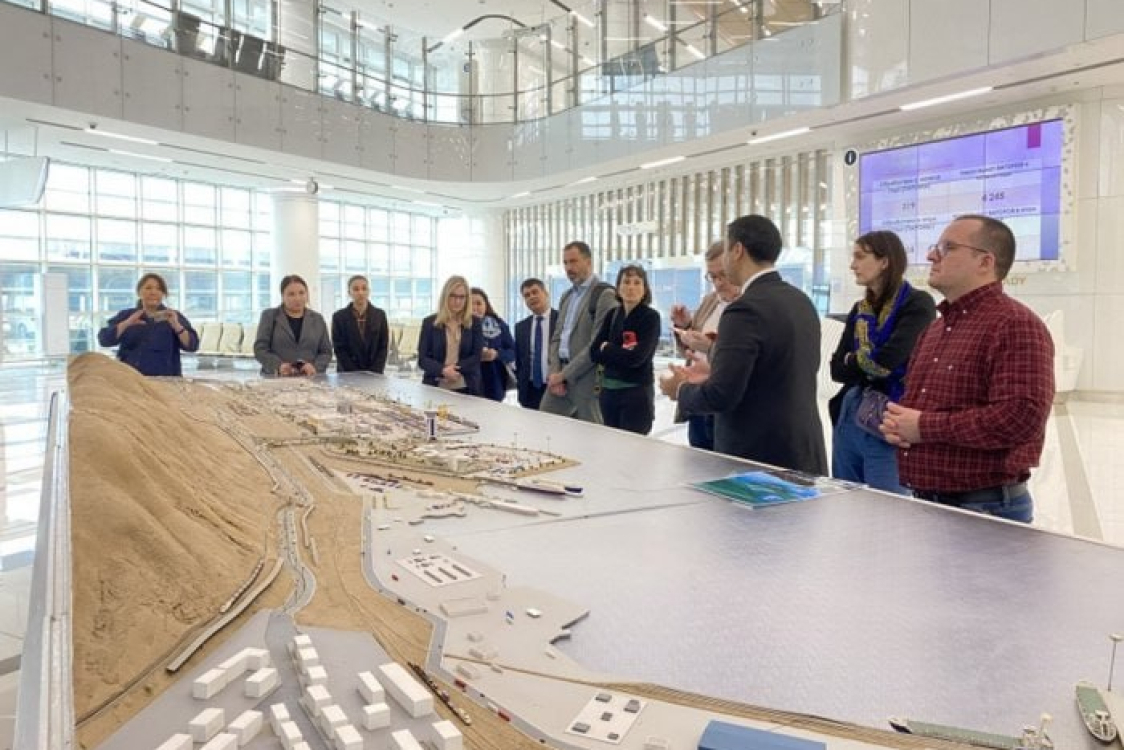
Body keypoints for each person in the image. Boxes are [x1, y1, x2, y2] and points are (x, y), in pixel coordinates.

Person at [880, 215, 1055, 523]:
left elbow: (1020, 418)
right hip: (928, 502)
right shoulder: (935, 330)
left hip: (983, 509)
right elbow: (920, 409)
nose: (931, 256)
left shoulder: (1015, 325)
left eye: (947, 248)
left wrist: (923, 427)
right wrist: (900, 427)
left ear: (985, 262)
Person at [659, 214, 827, 475]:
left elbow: (722, 395)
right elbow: (774, 370)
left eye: (727, 250)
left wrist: (679, 389)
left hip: (757, 461)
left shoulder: (744, 310)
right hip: (802, 452)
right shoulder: (801, 301)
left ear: (737, 250)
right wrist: (715, 366)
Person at [829, 231, 936, 493]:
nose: (852, 265)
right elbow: (836, 370)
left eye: (860, 257)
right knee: (844, 500)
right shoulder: (860, 309)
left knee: (887, 506)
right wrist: (865, 362)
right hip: (851, 409)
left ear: (884, 262)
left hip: (889, 414)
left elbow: (888, 361)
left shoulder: (917, 304)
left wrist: (854, 360)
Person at [669, 240, 740, 450]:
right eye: (712, 276)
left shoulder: (749, 305)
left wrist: (710, 346)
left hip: (725, 400)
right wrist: (685, 326)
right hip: (699, 397)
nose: (718, 283)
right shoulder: (710, 300)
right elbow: (691, 350)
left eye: (723, 275)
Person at [539, 241, 619, 423]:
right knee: (544, 424)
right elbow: (557, 337)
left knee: (591, 434)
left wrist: (564, 375)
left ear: (588, 262)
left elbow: (596, 345)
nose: (568, 268)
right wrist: (555, 373)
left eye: (573, 261)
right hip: (560, 374)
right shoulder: (567, 296)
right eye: (565, 263)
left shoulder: (605, 295)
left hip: (587, 379)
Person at [590, 265, 662, 435]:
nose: (631, 287)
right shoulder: (613, 315)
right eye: (626, 282)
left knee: (634, 445)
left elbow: (637, 358)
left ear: (645, 289)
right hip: (608, 393)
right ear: (618, 287)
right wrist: (620, 353)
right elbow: (594, 353)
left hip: (636, 394)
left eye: (637, 283)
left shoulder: (650, 317)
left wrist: (609, 348)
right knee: (612, 442)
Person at [97, 272, 199, 376]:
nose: (153, 292)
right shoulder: (126, 315)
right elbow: (104, 340)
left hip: (165, 380)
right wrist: (126, 324)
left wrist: (176, 326)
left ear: (163, 294)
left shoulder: (173, 316)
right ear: (139, 292)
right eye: (148, 288)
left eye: (159, 289)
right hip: (129, 379)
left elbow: (192, 346)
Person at [253, 274, 332, 376]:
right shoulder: (269, 316)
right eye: (291, 294)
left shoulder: (317, 319)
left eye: (301, 293)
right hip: (276, 378)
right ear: (283, 296)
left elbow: (326, 352)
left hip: (310, 378)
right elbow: (260, 349)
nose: (297, 298)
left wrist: (315, 367)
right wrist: (278, 366)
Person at [417, 275, 484, 395]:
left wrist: (454, 369)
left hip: (467, 386)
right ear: (445, 296)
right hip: (435, 386)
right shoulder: (430, 323)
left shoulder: (475, 323)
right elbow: (422, 359)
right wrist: (443, 370)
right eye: (453, 296)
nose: (457, 301)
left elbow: (476, 356)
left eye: (462, 297)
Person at [513, 278, 559, 410]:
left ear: (546, 293)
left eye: (535, 292)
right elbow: (519, 360)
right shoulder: (520, 327)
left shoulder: (561, 320)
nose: (531, 297)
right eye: (527, 295)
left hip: (555, 386)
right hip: (529, 389)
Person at [331, 275, 389, 374]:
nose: (360, 293)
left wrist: (375, 371)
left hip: (374, 373)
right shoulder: (339, 317)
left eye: (364, 288)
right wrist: (355, 374)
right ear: (349, 292)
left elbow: (383, 346)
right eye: (356, 289)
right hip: (347, 373)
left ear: (369, 291)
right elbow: (339, 349)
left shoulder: (379, 315)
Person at [469, 287, 516, 402]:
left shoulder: (499, 324)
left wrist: (496, 354)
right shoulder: (458, 326)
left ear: (486, 305)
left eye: (479, 303)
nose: (475, 307)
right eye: (470, 304)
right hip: (467, 382)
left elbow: (513, 352)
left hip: (494, 382)